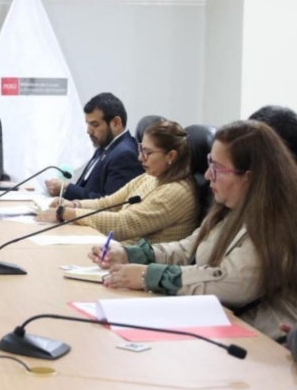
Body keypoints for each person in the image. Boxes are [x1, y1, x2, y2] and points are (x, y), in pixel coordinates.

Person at [91, 120, 297, 340]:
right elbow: (188, 250)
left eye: (217, 168)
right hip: (221, 325)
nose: (207, 175)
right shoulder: (229, 210)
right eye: (209, 163)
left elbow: (230, 283)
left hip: (263, 341)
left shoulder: (276, 223)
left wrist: (148, 276)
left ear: (249, 176)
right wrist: (129, 254)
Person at [38, 120, 198, 244]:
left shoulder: (177, 192)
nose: (140, 157)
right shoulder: (150, 177)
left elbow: (124, 224)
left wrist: (67, 214)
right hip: (120, 255)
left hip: (143, 265)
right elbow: (109, 203)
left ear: (171, 156)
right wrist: (74, 205)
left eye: (148, 152)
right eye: (141, 149)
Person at [44, 93, 143, 200]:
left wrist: (66, 189)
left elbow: (111, 203)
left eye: (95, 125)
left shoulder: (125, 155)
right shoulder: (106, 145)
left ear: (116, 123)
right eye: (88, 124)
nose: (88, 131)